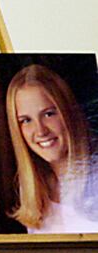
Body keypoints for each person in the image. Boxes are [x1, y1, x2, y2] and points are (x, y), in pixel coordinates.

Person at [5, 64, 98, 233]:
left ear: (67, 111)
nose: (40, 131)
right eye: (26, 120)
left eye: (48, 114)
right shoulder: (33, 190)